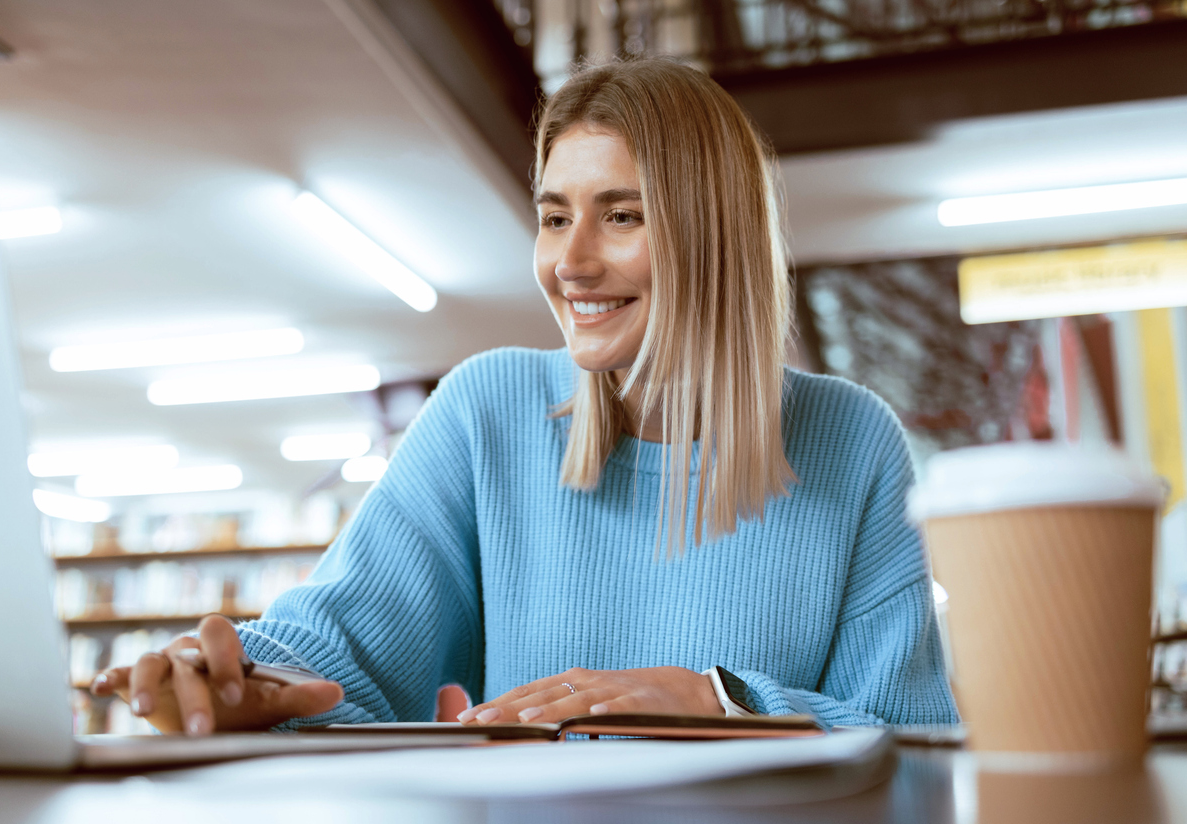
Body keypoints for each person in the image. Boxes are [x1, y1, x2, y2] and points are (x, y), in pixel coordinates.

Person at [92, 58, 958, 735]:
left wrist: (721, 700)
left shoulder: (850, 439)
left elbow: (910, 738)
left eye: (620, 216)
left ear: (713, 232)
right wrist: (241, 678)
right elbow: (341, 647)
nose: (570, 262)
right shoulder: (488, 409)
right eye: (553, 217)